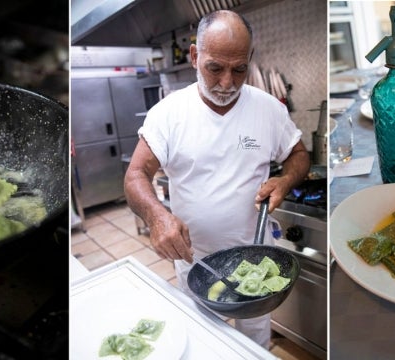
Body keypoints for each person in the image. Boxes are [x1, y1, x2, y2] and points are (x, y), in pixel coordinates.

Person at [123, 9, 310, 348]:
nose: (227, 83)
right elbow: (136, 173)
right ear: (195, 56)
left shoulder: (269, 109)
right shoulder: (168, 113)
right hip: (197, 260)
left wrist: (284, 183)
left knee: (254, 346)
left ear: (249, 59)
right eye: (215, 68)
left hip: (257, 259)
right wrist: (157, 216)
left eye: (239, 69)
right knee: (204, 343)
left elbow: (299, 155)